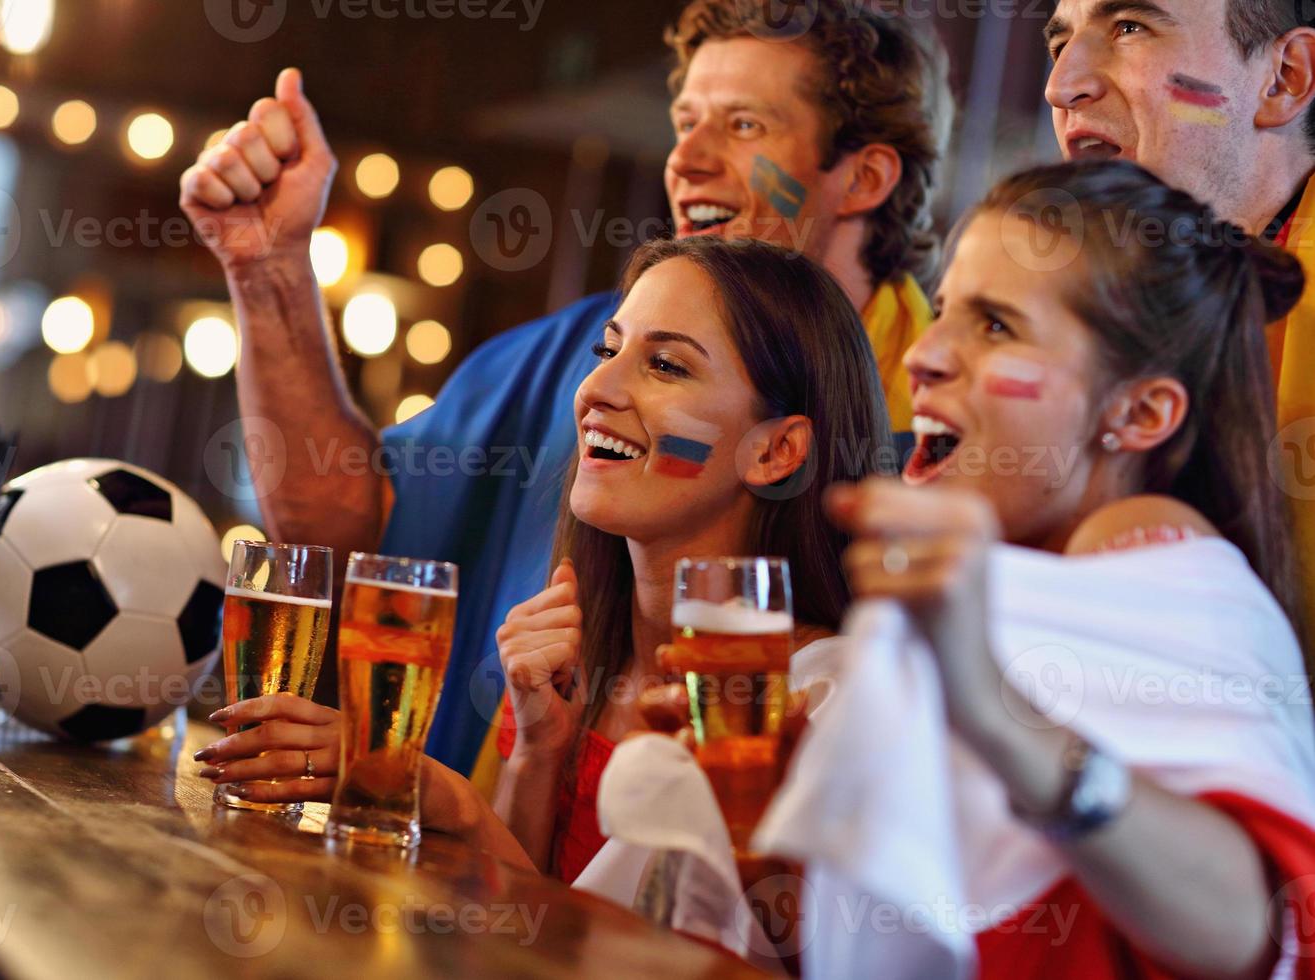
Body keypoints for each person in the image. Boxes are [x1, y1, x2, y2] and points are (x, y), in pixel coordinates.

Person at [177, 0, 951, 779]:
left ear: (864, 176)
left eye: (745, 125)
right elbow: (349, 527)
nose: (686, 160)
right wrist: (269, 266)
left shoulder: (943, 427)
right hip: (463, 872)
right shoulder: (576, 356)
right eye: (686, 121)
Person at [192, 235, 892, 886]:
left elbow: (659, 949)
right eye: (607, 350)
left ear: (776, 452)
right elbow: (518, 929)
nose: (596, 391)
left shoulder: (813, 701)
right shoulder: (574, 653)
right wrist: (536, 753)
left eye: (666, 365)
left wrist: (440, 796)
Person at [770, 160, 1315, 978]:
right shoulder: (993, 587)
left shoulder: (1163, 560)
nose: (922, 355)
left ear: (1138, 413)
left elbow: (1256, 923)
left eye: (995, 327)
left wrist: (992, 706)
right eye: (946, 309)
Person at [1042, 0, 1315, 644]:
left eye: (1130, 28)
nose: (1061, 84)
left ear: (1284, 80)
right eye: (1059, 43)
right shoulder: (1095, 296)